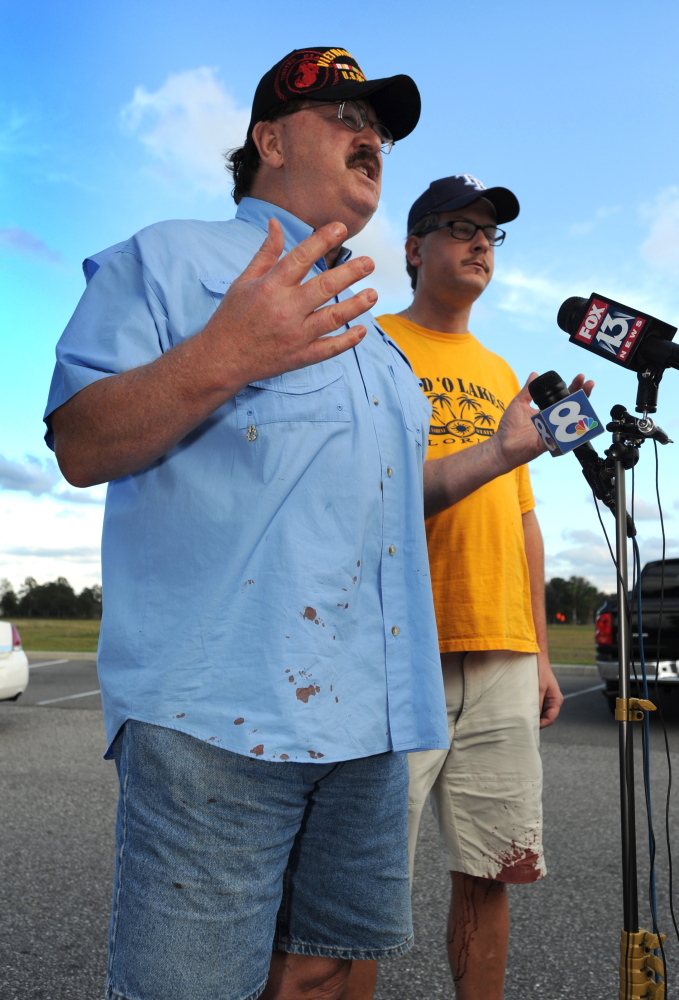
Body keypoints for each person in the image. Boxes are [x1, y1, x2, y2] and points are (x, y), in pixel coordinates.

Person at [44, 50, 577, 1000]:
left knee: (325, 974)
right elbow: (81, 442)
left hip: (373, 717)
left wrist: (499, 454)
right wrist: (226, 352)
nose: (368, 133)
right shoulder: (168, 258)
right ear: (268, 139)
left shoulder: (376, 339)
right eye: (339, 114)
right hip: (216, 718)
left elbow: (383, 504)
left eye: (377, 125)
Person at [347, 175, 568, 1000]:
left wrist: (542, 654)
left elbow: (522, 522)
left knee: (490, 868)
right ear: (412, 248)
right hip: (397, 645)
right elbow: (354, 492)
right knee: (360, 877)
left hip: (504, 651)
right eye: (457, 227)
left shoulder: (499, 367)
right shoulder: (372, 345)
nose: (479, 242)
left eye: (489, 233)